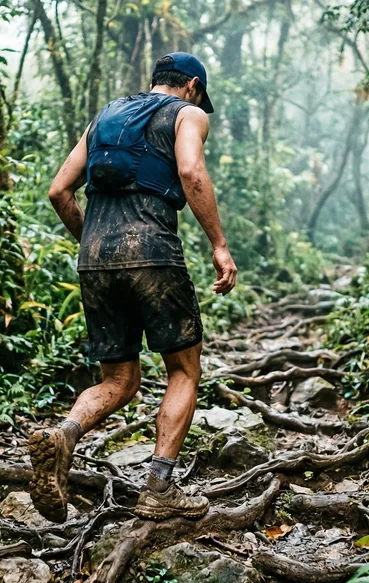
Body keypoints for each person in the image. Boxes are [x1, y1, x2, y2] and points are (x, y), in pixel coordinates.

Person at [29, 52, 237, 522]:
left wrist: (97, 247)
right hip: (154, 252)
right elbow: (190, 172)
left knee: (117, 380)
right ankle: (159, 488)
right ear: (191, 86)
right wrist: (219, 245)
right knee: (183, 370)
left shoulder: (105, 117)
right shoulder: (188, 113)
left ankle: (62, 435)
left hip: (95, 259)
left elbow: (58, 191)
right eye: (199, 94)